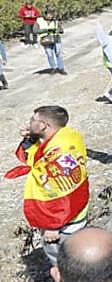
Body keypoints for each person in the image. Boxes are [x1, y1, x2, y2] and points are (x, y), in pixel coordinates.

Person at [13, 106, 89, 266]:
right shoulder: (67, 136)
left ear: (44, 125)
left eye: (33, 119)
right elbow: (35, 157)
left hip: (64, 224)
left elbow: (63, 194)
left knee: (70, 266)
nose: (29, 122)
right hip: (72, 215)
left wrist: (53, 226)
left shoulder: (59, 153)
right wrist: (30, 138)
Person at [36, 6, 65, 75]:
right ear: (45, 14)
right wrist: (45, 30)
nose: (50, 16)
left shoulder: (56, 21)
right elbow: (35, 30)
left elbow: (61, 30)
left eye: (52, 14)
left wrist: (58, 30)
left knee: (58, 53)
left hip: (56, 39)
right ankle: (53, 68)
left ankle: (61, 68)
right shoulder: (39, 21)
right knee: (49, 54)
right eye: (49, 14)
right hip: (45, 39)